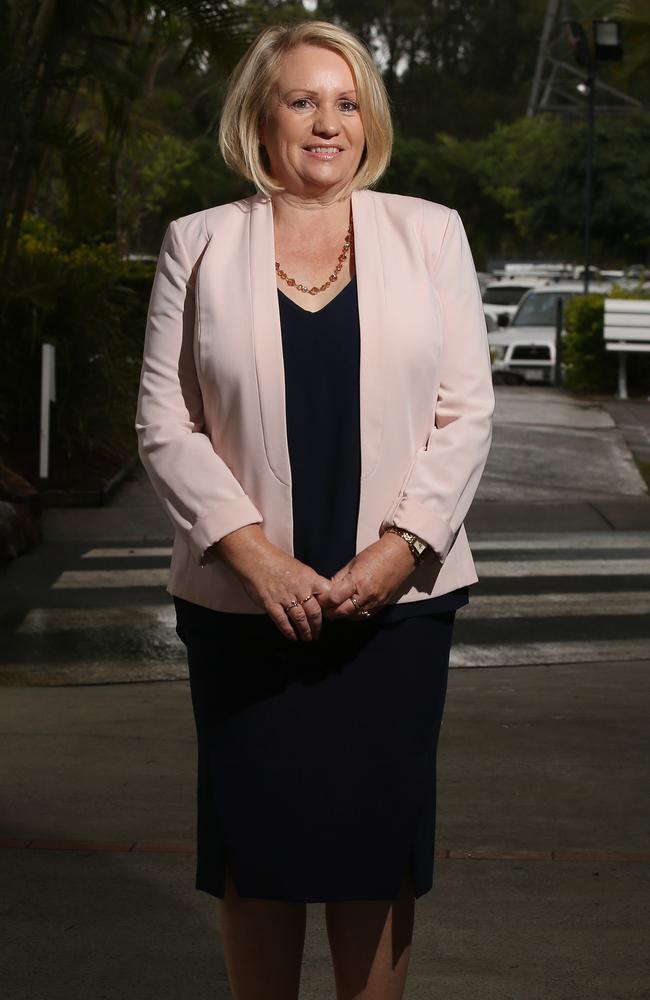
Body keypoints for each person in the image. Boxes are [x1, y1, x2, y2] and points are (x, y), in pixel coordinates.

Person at [135, 18, 494, 1000]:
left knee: (373, 857)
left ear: (367, 119)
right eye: (302, 99)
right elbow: (165, 422)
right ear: (260, 117)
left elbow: (465, 410)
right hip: (246, 609)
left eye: (345, 101)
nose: (326, 122)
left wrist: (400, 549)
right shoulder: (198, 244)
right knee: (258, 852)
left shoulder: (427, 234)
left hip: (397, 608)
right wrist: (253, 557)